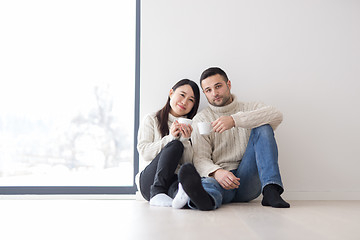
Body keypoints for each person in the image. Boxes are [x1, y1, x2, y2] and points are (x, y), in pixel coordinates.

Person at [178, 67, 290, 210]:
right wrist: (217, 172)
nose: (215, 93)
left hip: (249, 178)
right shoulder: (201, 119)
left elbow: (276, 115)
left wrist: (234, 120)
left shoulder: (250, 107)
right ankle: (205, 200)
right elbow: (200, 158)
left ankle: (271, 190)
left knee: (263, 127)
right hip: (222, 178)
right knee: (209, 184)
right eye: (208, 90)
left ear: (228, 84)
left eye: (218, 86)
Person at [136, 79, 200, 208]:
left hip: (172, 180)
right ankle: (157, 192)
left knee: (181, 191)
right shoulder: (152, 119)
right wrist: (170, 138)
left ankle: (183, 198)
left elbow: (187, 165)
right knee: (175, 145)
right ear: (171, 93)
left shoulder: (193, 127)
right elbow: (144, 153)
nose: (184, 102)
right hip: (149, 182)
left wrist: (185, 140)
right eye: (182, 95)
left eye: (191, 100)